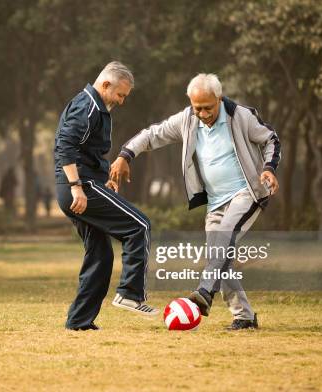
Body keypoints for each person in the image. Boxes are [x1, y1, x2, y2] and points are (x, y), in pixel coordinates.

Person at [110, 73, 281, 330]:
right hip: (215, 202)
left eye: (207, 107)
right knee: (219, 257)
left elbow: (271, 139)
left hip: (247, 192)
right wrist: (126, 154)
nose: (202, 113)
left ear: (219, 98)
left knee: (224, 240)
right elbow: (153, 134)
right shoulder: (187, 120)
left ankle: (204, 292)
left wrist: (269, 167)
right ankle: (244, 317)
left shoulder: (241, 116)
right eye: (196, 107)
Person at [54, 61, 159, 331]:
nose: (122, 101)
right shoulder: (87, 106)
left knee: (100, 256)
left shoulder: (95, 107)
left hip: (87, 185)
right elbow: (65, 145)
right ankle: (130, 294)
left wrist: (104, 183)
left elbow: (87, 152)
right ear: (105, 85)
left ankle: (79, 322)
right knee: (140, 225)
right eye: (120, 95)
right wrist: (77, 186)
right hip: (79, 188)